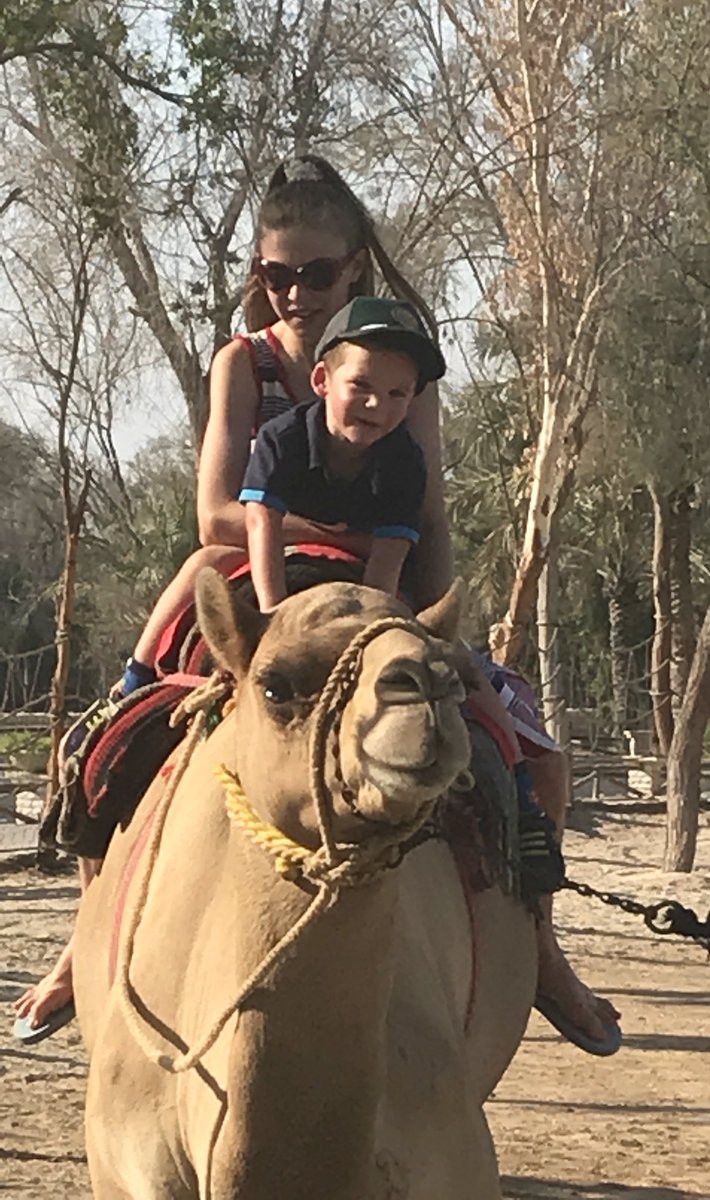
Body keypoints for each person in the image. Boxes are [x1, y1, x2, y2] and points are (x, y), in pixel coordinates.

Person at [14, 156, 617, 1053]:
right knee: (115, 746)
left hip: (381, 583)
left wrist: (436, 623)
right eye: (277, 274)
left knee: (534, 757)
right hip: (261, 576)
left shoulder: (405, 374)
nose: (296, 293)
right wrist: (325, 534)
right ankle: (85, 942)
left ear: (354, 269)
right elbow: (218, 514)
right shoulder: (242, 364)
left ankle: (540, 952)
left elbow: (425, 512)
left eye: (318, 273)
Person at [242, 295, 444, 610]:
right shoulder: (281, 439)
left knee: (417, 616)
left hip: (361, 563)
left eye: (397, 393)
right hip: (281, 550)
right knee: (207, 563)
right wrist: (273, 612)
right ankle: (154, 643)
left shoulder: (405, 462)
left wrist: (371, 621)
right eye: (361, 385)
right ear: (321, 380)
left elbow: (388, 558)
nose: (377, 404)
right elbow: (260, 522)